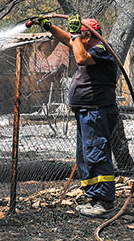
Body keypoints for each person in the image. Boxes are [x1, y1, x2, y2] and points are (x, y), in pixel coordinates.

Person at [26, 14, 119, 217]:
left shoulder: (101, 49)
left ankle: (104, 203)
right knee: (86, 156)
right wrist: (49, 26)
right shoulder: (86, 44)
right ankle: (95, 199)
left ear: (87, 35)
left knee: (97, 153)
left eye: (79, 35)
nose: (76, 39)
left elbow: (80, 58)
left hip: (96, 112)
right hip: (87, 112)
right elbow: (69, 40)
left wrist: (75, 34)